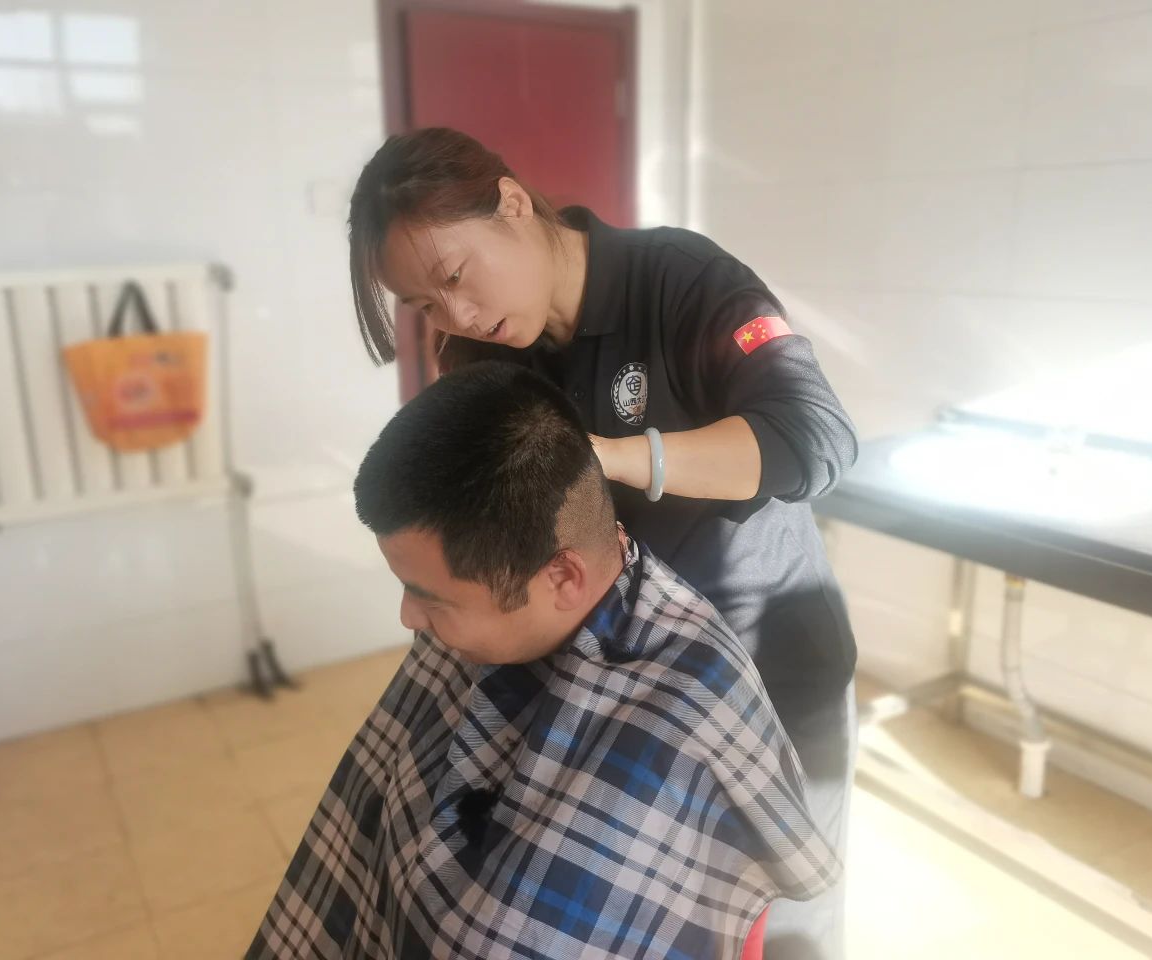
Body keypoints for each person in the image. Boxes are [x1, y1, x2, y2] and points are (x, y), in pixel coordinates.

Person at [346, 128, 859, 958]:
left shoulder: (680, 281)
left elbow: (817, 438)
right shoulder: (475, 356)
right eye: (425, 306)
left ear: (514, 203)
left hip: (765, 663)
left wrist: (614, 458)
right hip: (627, 685)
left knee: (781, 924)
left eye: (456, 277)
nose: (456, 317)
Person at [246, 362, 838, 960]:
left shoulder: (681, 726)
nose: (408, 617)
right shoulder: (480, 617)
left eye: (430, 597)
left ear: (562, 577)